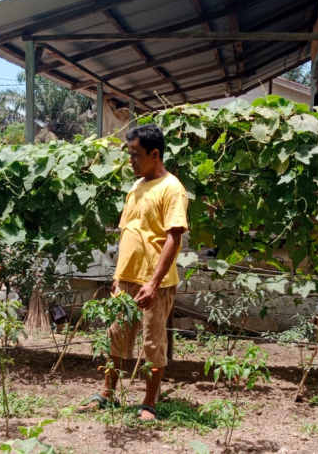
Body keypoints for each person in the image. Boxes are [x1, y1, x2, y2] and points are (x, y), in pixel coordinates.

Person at [78, 123, 189, 421]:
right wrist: (117, 277)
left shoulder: (172, 189)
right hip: (126, 280)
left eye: (136, 154)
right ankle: (106, 394)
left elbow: (173, 239)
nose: (131, 161)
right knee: (116, 337)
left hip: (155, 284)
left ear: (155, 154)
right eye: (129, 154)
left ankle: (149, 403)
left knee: (153, 344)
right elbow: (128, 233)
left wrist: (153, 283)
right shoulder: (136, 186)